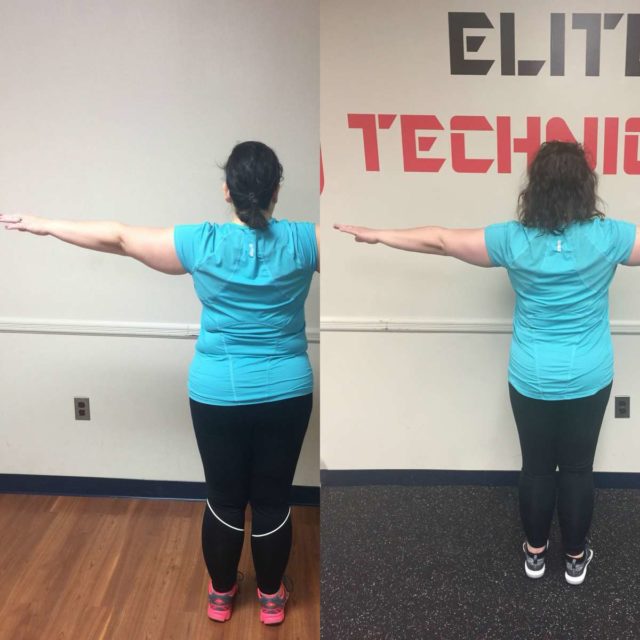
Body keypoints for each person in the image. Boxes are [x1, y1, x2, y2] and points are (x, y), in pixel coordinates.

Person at [1, 140, 319, 624]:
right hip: (287, 393)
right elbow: (369, 246)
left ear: (226, 191)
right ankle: (271, 599)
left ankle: (222, 594)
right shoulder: (304, 241)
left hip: (217, 393)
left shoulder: (203, 242)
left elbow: (120, 237)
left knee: (225, 496)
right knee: (273, 498)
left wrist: (45, 225)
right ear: (277, 189)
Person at [335, 140, 639, 586]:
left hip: (530, 375)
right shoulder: (611, 237)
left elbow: (440, 241)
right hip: (588, 377)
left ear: (534, 188)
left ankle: (535, 555)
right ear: (585, 186)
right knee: (577, 468)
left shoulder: (512, 239)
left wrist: (379, 233)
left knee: (536, 466)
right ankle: (575, 559)